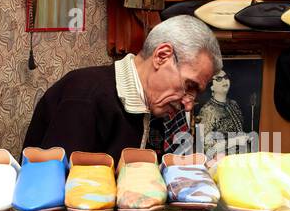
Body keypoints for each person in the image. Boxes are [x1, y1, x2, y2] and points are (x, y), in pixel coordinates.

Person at [22, 15, 222, 163]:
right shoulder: (85, 96)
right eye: (189, 86)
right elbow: (54, 197)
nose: (188, 104)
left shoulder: (160, 109)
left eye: (196, 94)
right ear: (162, 56)